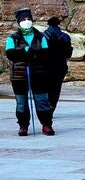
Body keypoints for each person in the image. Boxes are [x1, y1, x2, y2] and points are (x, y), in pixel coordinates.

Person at [6, 8, 56, 136]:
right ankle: (23, 126)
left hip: (39, 74)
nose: (26, 21)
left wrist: (32, 54)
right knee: (21, 102)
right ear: (19, 22)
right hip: (19, 75)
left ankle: (46, 124)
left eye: (28, 19)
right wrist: (24, 53)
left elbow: (45, 53)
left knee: (42, 101)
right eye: (23, 19)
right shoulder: (13, 38)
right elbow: (11, 54)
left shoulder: (40, 36)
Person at [43, 17, 72, 113]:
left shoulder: (43, 36)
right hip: (60, 66)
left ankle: (46, 107)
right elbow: (68, 54)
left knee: (45, 88)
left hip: (45, 67)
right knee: (56, 88)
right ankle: (52, 106)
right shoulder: (65, 37)